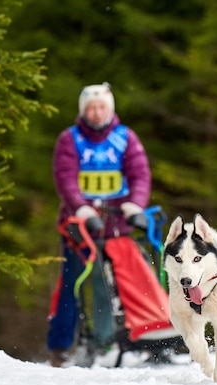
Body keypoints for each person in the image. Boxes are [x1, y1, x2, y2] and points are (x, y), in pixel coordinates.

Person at [47, 82, 151, 367]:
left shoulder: (125, 138)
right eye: (91, 108)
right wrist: (82, 209)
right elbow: (66, 178)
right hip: (78, 227)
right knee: (72, 284)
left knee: (112, 285)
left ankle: (107, 343)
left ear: (110, 108)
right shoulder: (70, 139)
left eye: (101, 107)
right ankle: (61, 348)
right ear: (83, 110)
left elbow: (139, 173)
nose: (96, 113)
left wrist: (135, 206)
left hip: (117, 226)